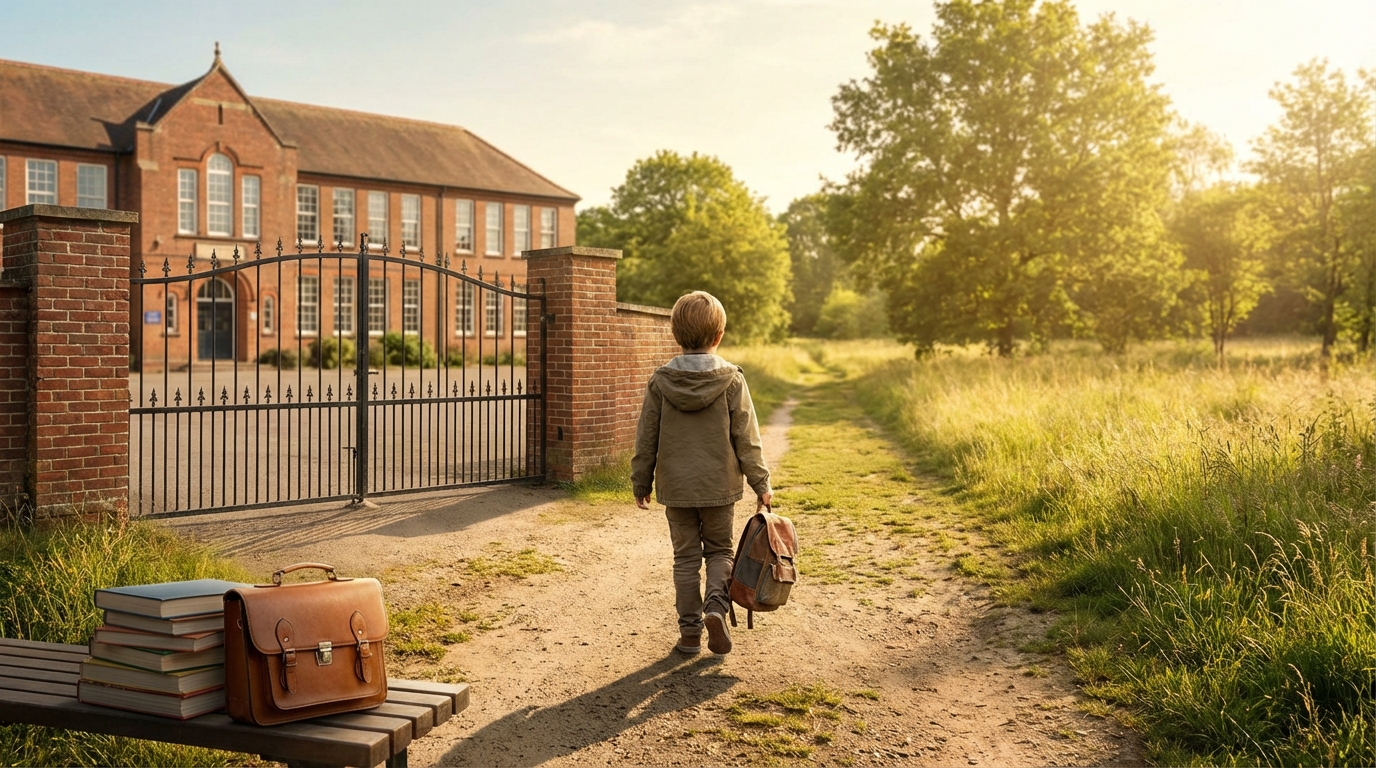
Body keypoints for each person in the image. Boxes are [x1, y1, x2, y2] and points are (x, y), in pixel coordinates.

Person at [632, 291, 772, 656]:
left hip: (676, 487)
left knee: (686, 559)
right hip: (719, 486)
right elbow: (746, 436)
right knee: (720, 552)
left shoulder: (660, 381)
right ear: (718, 335)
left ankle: (690, 633)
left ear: (676, 334)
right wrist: (761, 482)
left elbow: (646, 436)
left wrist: (640, 481)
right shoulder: (732, 380)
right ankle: (715, 607)